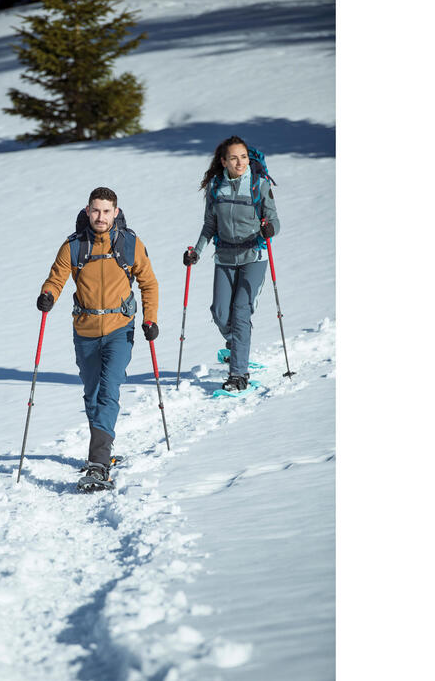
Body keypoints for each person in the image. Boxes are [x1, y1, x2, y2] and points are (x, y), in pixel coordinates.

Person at [37, 187, 159, 491]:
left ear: (115, 213)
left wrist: (150, 318)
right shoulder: (74, 246)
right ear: (88, 210)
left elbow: (149, 283)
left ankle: (99, 463)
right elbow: (57, 276)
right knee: (92, 394)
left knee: (109, 390)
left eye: (106, 211)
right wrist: (48, 295)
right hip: (86, 329)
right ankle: (102, 448)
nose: (100, 217)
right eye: (95, 210)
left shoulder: (130, 243)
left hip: (120, 327)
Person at [182, 136, 280, 392]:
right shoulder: (216, 187)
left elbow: (274, 220)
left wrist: (269, 229)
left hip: (254, 256)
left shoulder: (259, 184)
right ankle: (236, 345)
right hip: (225, 257)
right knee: (220, 312)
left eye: (244, 157)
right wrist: (197, 252)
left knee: (240, 311)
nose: (240, 162)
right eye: (234, 158)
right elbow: (209, 226)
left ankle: (238, 374)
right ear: (223, 161)